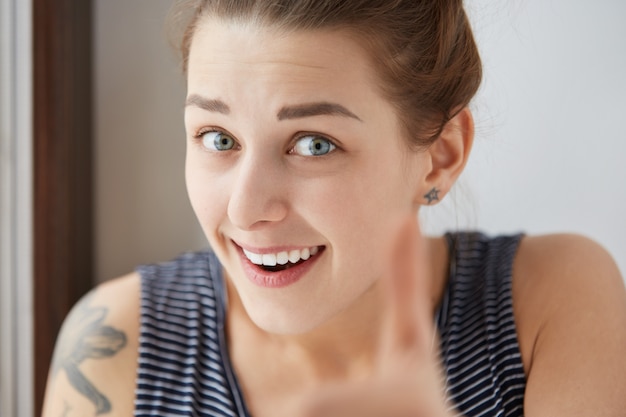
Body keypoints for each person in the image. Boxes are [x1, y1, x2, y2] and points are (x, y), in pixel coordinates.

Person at [42, 0, 626, 416]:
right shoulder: (118, 347)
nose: (246, 210)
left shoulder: (547, 306)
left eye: (314, 144)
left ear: (440, 156)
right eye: (219, 138)